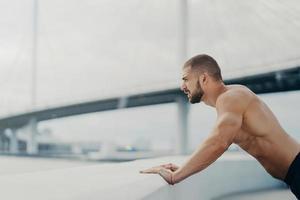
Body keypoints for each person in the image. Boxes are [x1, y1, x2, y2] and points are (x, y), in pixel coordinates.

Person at [140, 54, 300, 199]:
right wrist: (185, 167)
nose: (182, 86)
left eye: (185, 79)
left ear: (203, 78)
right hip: (294, 176)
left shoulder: (230, 97)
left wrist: (176, 176)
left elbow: (219, 141)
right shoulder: (230, 98)